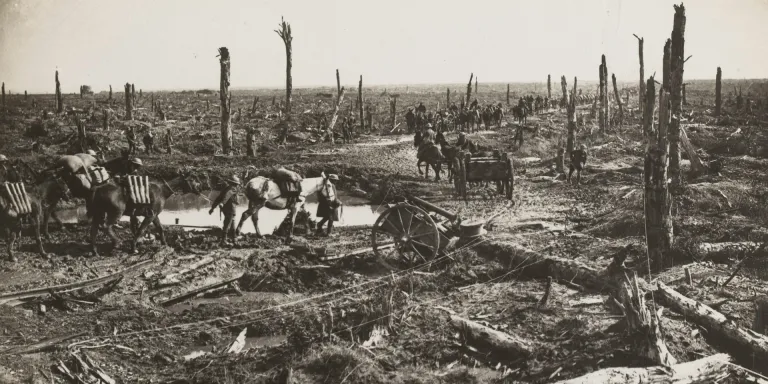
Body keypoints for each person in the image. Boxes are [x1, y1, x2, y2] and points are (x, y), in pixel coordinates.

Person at [209, 175, 241, 245]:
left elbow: (218, 198)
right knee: (227, 223)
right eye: (237, 184)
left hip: (225, 209)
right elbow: (227, 196)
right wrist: (223, 203)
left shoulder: (226, 188)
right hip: (231, 208)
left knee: (232, 222)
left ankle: (234, 238)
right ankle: (223, 240)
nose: (237, 185)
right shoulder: (233, 189)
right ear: (235, 184)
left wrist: (213, 208)